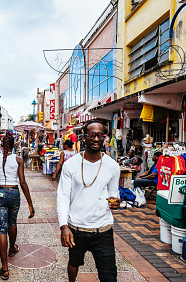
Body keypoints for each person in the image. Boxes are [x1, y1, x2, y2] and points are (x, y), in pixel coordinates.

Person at [57, 120, 121, 282]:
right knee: (74, 263)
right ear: (84, 137)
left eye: (101, 135)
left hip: (103, 229)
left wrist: (116, 202)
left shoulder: (112, 166)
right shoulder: (71, 165)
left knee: (109, 276)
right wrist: (64, 226)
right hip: (76, 228)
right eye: (92, 135)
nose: (96, 139)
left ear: (105, 138)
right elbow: (63, 196)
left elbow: (114, 192)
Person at [0, 133, 34, 280]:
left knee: (2, 228)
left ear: (2, 144)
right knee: (12, 222)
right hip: (14, 193)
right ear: (14, 145)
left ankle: (5, 268)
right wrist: (30, 204)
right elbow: (23, 182)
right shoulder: (18, 160)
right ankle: (12, 248)